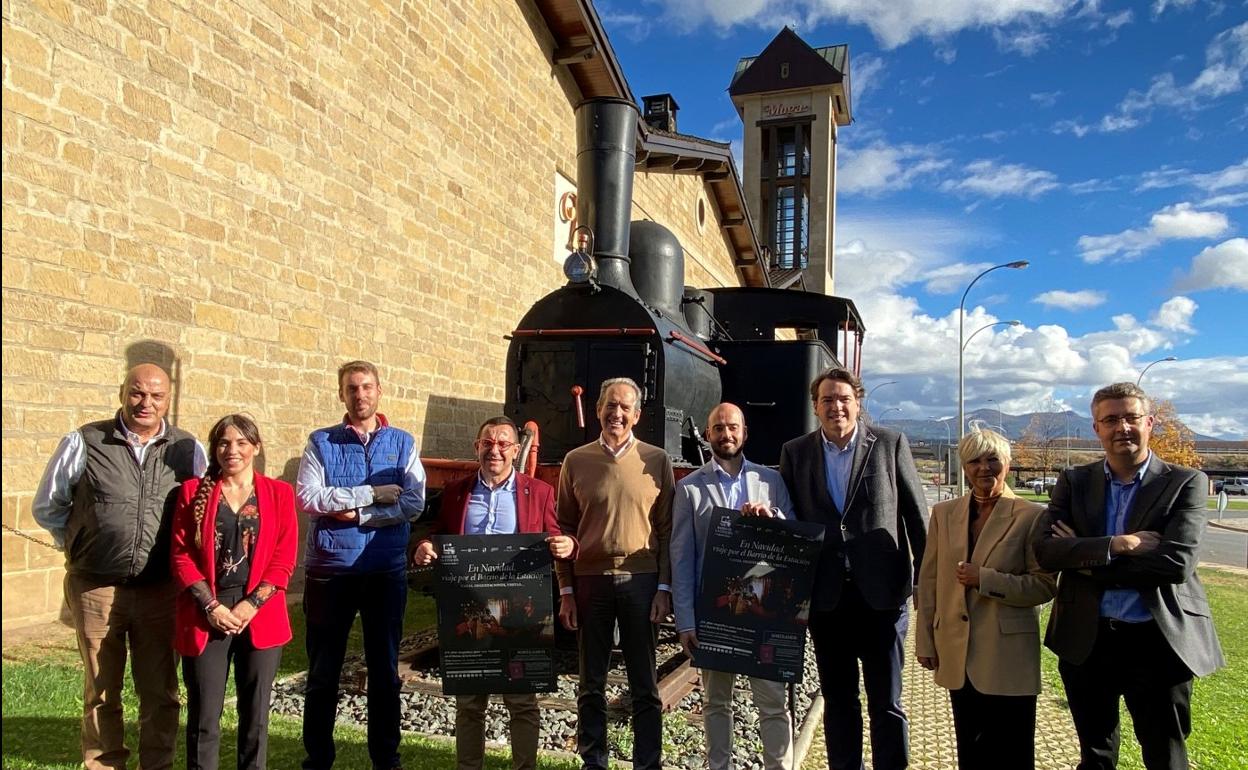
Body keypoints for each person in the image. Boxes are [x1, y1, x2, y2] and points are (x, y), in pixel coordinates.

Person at [1035, 382, 1224, 770]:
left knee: (1165, 753)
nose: (1122, 427)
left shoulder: (1185, 481)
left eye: (1131, 417)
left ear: (1150, 422)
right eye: (1111, 419)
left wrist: (1086, 556)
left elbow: (1176, 563)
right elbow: (1045, 551)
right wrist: (1119, 544)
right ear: (1096, 428)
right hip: (1088, 640)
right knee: (1095, 754)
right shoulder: (1074, 481)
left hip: (1158, 642)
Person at [32, 363, 206, 770]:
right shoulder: (85, 441)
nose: (146, 403)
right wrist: (76, 545)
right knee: (101, 688)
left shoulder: (187, 448)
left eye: (156, 395)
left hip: (161, 589)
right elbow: (48, 505)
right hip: (95, 587)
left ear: (168, 399)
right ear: (122, 392)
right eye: (137, 393)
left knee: (160, 691)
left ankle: (156, 764)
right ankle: (104, 763)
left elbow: (200, 508)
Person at [778, 367, 928, 770]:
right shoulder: (795, 452)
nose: (836, 406)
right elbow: (789, 519)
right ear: (815, 407)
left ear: (858, 403)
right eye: (827, 400)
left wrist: (925, 585)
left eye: (844, 398)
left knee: (888, 702)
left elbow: (917, 519)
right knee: (840, 702)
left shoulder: (890, 443)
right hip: (827, 600)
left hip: (882, 596)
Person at [411, 416, 577, 770]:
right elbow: (438, 534)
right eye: (488, 443)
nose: (495, 450)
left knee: (522, 701)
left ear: (516, 450)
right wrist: (425, 546)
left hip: (519, 611)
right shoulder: (457, 492)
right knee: (470, 702)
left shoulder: (540, 492)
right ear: (477, 448)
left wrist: (567, 544)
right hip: (468, 608)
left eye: (503, 444)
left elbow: (557, 534)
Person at [296, 360, 426, 770]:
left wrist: (357, 515)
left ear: (379, 390)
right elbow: (309, 498)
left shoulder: (402, 443)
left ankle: (386, 759)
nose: (360, 395)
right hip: (330, 571)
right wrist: (370, 493)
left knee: (384, 670)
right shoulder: (321, 442)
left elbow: (413, 502)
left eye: (366, 387)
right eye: (351, 389)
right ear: (341, 395)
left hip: (384, 571)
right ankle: (317, 759)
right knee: (322, 672)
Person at [914, 428, 1056, 770]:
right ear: (963, 467)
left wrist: (986, 580)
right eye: (974, 460)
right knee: (971, 753)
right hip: (957, 654)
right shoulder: (944, 514)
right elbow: (929, 580)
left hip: (1008, 657)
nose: (984, 468)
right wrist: (925, 641)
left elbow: (1044, 586)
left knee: (1011, 754)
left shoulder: (1032, 516)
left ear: (1007, 464)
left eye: (992, 459)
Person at [555, 377, 674, 770]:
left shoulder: (657, 461)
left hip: (641, 581)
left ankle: (648, 763)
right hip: (590, 582)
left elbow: (667, 528)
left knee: (645, 684)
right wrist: (566, 590)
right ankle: (594, 761)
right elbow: (564, 529)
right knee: (591, 683)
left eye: (625, 407)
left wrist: (663, 587)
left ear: (637, 415)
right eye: (610, 405)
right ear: (598, 410)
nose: (616, 414)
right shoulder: (576, 460)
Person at [671, 402, 796, 770]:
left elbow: (793, 540)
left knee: (773, 703)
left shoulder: (771, 482)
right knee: (715, 702)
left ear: (744, 432)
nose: (726, 434)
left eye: (733, 427)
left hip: (764, 612)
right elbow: (681, 558)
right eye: (718, 428)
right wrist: (686, 621)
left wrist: (772, 519)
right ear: (707, 435)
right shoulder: (690, 489)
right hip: (715, 611)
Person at [170, 414, 298, 770]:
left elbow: (284, 557)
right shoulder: (192, 492)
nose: (232, 450)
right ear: (214, 448)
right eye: (224, 443)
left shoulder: (279, 493)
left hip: (261, 610)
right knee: (204, 715)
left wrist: (252, 604)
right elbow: (181, 555)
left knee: (255, 715)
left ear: (255, 447)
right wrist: (211, 605)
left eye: (242, 442)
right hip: (206, 610)